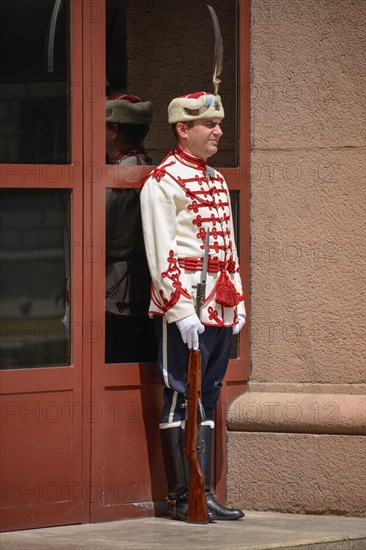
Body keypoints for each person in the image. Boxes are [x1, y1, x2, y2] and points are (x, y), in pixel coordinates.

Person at [140, 91, 246, 522]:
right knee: (180, 394)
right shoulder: (163, 181)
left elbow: (229, 247)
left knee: (211, 390)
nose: (219, 131)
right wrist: (179, 308)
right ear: (183, 129)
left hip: (218, 304)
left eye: (219, 124)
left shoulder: (216, 180)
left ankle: (205, 491)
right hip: (185, 304)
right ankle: (184, 495)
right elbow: (160, 249)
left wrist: (237, 300)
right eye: (209, 125)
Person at [105, 94, 157, 363]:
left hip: (113, 289)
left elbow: (97, 235)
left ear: (114, 130)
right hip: (150, 287)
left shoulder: (115, 176)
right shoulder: (156, 169)